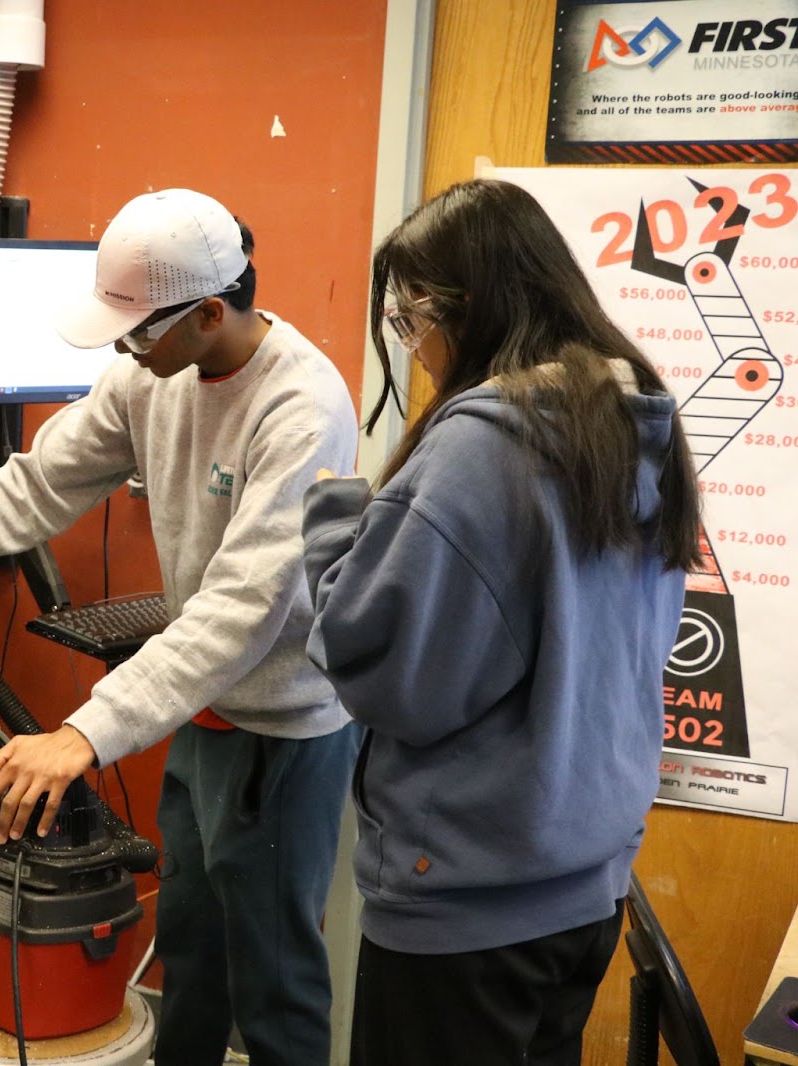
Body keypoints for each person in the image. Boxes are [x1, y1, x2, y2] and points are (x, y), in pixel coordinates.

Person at [0, 188, 361, 1066]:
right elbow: (43, 482)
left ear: (206, 313)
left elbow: (238, 614)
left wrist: (83, 733)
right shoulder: (148, 376)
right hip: (199, 718)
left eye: (135, 334)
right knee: (191, 951)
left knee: (274, 981)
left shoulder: (303, 409)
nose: (122, 353)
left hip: (279, 731)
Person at [300, 178, 702, 1066]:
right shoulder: (635, 420)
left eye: (412, 320)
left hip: (467, 903)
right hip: (584, 883)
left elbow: (385, 676)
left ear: (469, 307)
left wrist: (336, 524)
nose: (415, 346)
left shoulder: (485, 446)